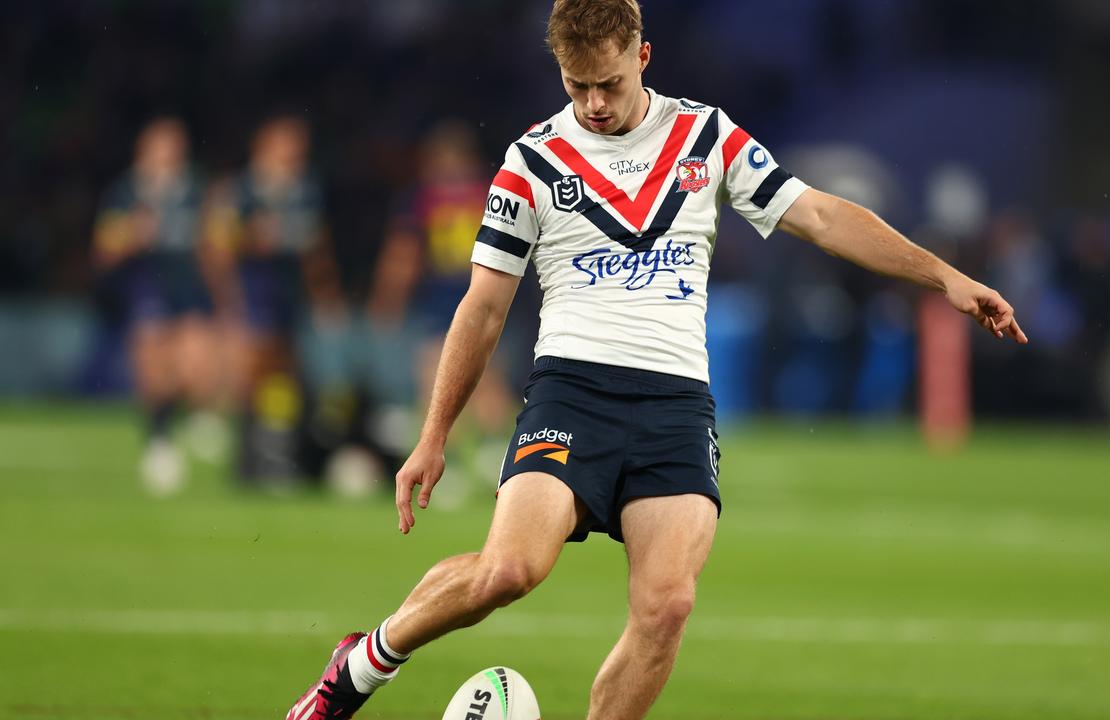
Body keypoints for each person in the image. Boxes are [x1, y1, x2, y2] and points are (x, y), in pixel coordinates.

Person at [283, 1, 1028, 718]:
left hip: (674, 406)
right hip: (571, 394)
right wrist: (433, 434)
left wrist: (947, 277)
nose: (595, 102)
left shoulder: (706, 137)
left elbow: (824, 216)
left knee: (668, 604)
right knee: (508, 572)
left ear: (643, 56)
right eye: (577, 86)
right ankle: (359, 666)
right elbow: (482, 307)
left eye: (609, 82)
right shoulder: (532, 161)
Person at [366, 121, 514, 486]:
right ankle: (496, 457)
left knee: (439, 380)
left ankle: (455, 466)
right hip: (484, 298)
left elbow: (403, 255)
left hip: (450, 299)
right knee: (482, 380)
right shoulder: (489, 191)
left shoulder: (423, 198)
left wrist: (388, 300)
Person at [203, 115, 345, 482]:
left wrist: (325, 296)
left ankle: (277, 454)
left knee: (287, 374)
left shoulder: (304, 190)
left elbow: (317, 248)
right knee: (255, 371)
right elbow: (218, 249)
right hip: (255, 293)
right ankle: (247, 455)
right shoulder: (241, 191)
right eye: (287, 146)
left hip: (288, 295)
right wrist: (228, 297)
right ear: (265, 147)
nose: (295, 154)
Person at [93, 117, 221, 495]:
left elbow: (211, 244)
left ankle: (193, 416)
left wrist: (223, 293)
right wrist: (132, 234)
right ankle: (159, 441)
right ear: (145, 150)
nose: (170, 154)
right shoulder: (126, 192)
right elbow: (103, 249)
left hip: (189, 289)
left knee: (197, 366)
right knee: (153, 368)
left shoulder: (194, 188)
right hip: (146, 287)